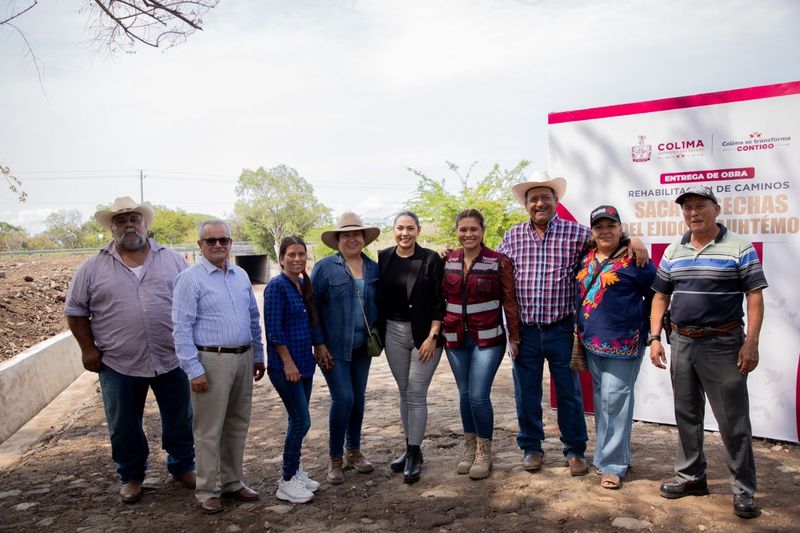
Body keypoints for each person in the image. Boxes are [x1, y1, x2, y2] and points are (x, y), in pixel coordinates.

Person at [497, 170, 648, 476]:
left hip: (562, 329)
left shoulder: (577, 233)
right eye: (534, 198)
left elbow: (609, 237)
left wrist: (636, 239)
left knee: (568, 391)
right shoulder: (512, 236)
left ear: (556, 201)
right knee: (525, 391)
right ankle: (531, 447)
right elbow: (494, 265)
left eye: (546, 197)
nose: (540, 203)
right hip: (525, 330)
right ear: (526, 204)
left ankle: (574, 449)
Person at [64, 196, 195, 504]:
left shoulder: (173, 260)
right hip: (117, 362)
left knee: (180, 417)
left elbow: (192, 302)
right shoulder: (92, 267)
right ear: (112, 229)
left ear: (146, 224)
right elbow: (75, 310)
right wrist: (87, 349)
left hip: (171, 357)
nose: (129, 226)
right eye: (121, 221)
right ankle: (132, 475)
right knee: (123, 423)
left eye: (135, 219)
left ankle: (183, 465)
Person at [648, 186, 767, 519]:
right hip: (681, 341)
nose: (693, 213)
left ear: (717, 208)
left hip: (723, 344)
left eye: (700, 206)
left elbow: (754, 297)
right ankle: (691, 478)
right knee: (687, 414)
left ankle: (744, 491)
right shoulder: (675, 250)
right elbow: (660, 296)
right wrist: (655, 337)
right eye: (687, 208)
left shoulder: (739, 247)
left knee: (733, 421)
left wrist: (752, 342)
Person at [171, 220, 265, 514]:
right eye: (210, 241)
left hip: (243, 357)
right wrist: (193, 369)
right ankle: (208, 490)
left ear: (231, 242)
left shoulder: (240, 275)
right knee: (209, 429)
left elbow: (252, 317)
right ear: (200, 245)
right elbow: (180, 327)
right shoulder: (190, 279)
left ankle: (233, 482)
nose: (217, 245)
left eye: (223, 240)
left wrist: (259, 354)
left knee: (237, 423)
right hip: (210, 361)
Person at [575, 205, 656, 489]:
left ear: (621, 228)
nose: (605, 231)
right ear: (593, 232)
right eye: (599, 227)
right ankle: (606, 456)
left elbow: (657, 295)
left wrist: (653, 333)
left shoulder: (636, 259)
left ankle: (613, 465)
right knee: (603, 402)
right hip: (591, 342)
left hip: (625, 343)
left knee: (615, 401)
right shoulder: (586, 257)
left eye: (611, 225)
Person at [441, 209, 521, 480]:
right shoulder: (448, 260)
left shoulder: (498, 261)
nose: (468, 234)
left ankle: (485, 451)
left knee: (478, 395)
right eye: (463, 229)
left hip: (488, 339)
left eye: (473, 229)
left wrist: (515, 337)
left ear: (483, 230)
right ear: (457, 231)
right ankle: (470, 448)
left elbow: (510, 302)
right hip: (455, 338)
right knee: (464, 394)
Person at [311, 213, 380, 484]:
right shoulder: (325, 268)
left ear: (364, 239)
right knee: (344, 399)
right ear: (337, 240)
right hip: (334, 349)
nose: (352, 239)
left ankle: (354, 451)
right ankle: (335, 458)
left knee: (358, 399)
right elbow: (312, 307)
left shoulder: (373, 268)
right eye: (345, 235)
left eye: (357, 234)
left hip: (363, 347)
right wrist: (319, 343)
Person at [378, 211, 445, 484]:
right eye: (400, 228)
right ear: (393, 230)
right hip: (393, 332)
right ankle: (409, 448)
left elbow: (441, 299)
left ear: (418, 230)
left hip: (425, 334)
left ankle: (415, 453)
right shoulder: (383, 258)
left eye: (410, 228)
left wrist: (433, 335)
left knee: (417, 392)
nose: (404, 233)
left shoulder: (430, 259)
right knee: (404, 392)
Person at [264, 236, 323, 504]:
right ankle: (286, 480)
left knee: (296, 420)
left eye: (301, 254)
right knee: (302, 421)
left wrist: (319, 347)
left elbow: (310, 323)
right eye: (291, 254)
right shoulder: (277, 287)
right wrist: (287, 362)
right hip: (286, 368)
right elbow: (274, 331)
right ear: (281, 258)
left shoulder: (301, 284)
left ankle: (295, 470)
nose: (297, 259)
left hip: (305, 365)